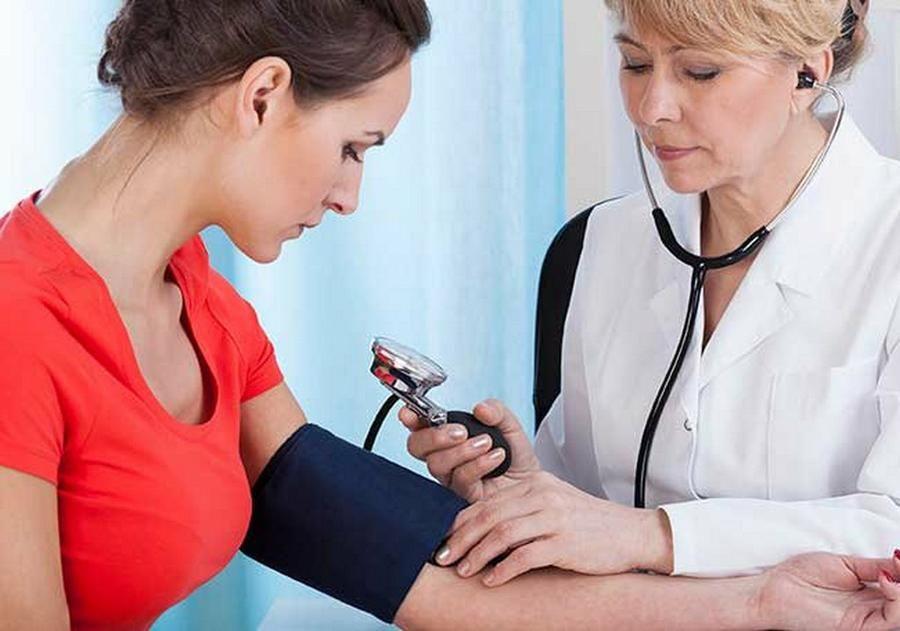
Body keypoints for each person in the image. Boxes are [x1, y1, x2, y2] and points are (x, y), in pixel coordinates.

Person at [2, 1, 900, 629]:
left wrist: (754, 598)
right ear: (263, 95)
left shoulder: (200, 302)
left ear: (809, 70)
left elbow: (380, 547)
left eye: (699, 69)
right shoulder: (21, 324)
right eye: (354, 147)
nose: (351, 196)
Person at [402, 0, 900, 593]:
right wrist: (526, 492)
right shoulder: (601, 242)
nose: (651, 108)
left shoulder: (886, 241)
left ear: (806, 73)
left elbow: (890, 526)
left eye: (700, 72)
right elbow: (589, 503)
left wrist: (657, 536)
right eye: (636, 64)